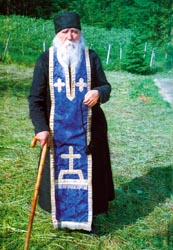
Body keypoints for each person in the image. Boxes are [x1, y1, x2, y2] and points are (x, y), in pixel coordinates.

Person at [29, 11, 114, 232]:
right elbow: (35, 99)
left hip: (89, 131)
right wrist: (40, 129)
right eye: (65, 32)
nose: (70, 37)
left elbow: (106, 87)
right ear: (57, 35)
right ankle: (62, 216)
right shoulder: (45, 60)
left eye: (74, 31)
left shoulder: (91, 57)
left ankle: (87, 218)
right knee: (57, 170)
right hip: (56, 132)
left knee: (91, 173)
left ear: (80, 34)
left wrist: (98, 92)